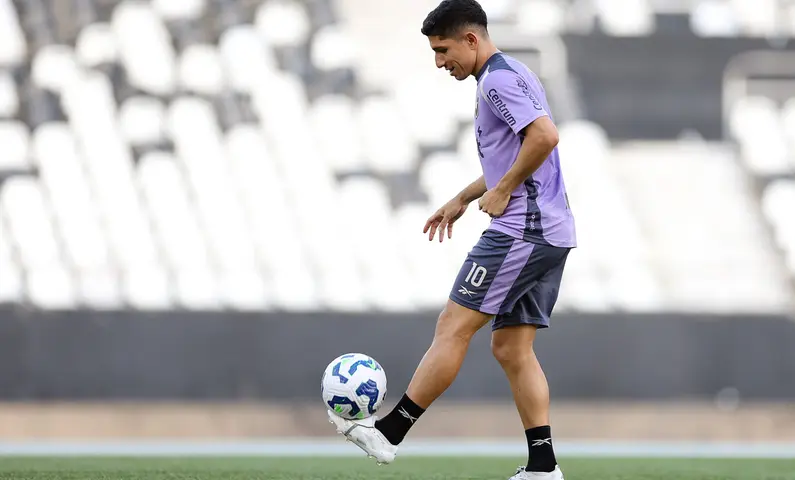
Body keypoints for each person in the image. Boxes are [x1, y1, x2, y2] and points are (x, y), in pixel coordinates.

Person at [328, 1, 576, 478]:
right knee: (512, 349)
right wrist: (464, 197)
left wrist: (503, 190)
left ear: (471, 39)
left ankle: (390, 433)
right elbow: (518, 150)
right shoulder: (515, 72)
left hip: (522, 229)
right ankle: (543, 467)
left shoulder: (497, 81)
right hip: (551, 230)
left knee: (452, 326)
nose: (440, 62)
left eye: (443, 50)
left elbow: (545, 137)